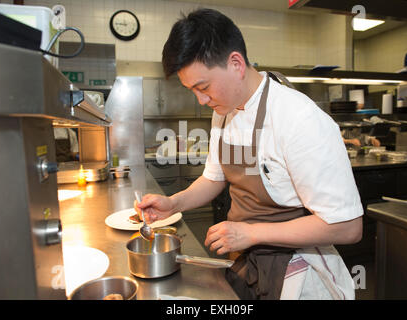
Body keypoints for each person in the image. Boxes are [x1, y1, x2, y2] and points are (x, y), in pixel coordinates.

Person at [136, 8, 363, 300]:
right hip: (244, 262)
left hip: (298, 272)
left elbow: (346, 227)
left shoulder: (298, 119)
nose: (201, 100)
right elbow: (213, 179)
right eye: (192, 90)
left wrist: (252, 233)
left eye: (203, 87)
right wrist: (173, 203)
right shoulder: (223, 109)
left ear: (236, 64)